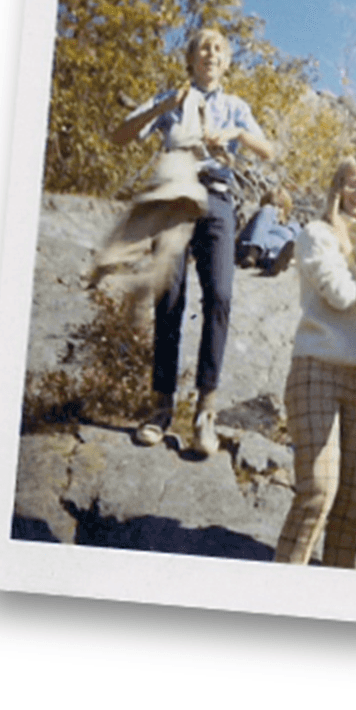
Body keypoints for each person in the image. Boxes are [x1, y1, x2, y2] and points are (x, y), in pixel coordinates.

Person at [110, 27, 274, 456]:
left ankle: (206, 409)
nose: (211, 53)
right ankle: (160, 406)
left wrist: (236, 136)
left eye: (219, 48)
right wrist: (163, 106)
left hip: (217, 200)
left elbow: (268, 151)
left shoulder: (236, 107)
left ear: (227, 61)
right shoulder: (172, 97)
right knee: (170, 296)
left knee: (219, 295)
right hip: (173, 196)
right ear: (191, 57)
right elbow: (119, 136)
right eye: (203, 46)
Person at [274, 156, 356, 567]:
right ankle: (278, 590)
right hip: (318, 366)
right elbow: (341, 295)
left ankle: (334, 605)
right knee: (318, 491)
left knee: (352, 504)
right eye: (352, 184)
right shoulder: (317, 234)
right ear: (337, 187)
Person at [236, 187, 301, 273]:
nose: (277, 209)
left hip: (271, 255)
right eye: (274, 205)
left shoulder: (291, 225)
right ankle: (254, 252)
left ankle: (279, 261)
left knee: (294, 232)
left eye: (280, 206)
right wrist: (271, 209)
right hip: (248, 249)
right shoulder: (263, 212)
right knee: (268, 211)